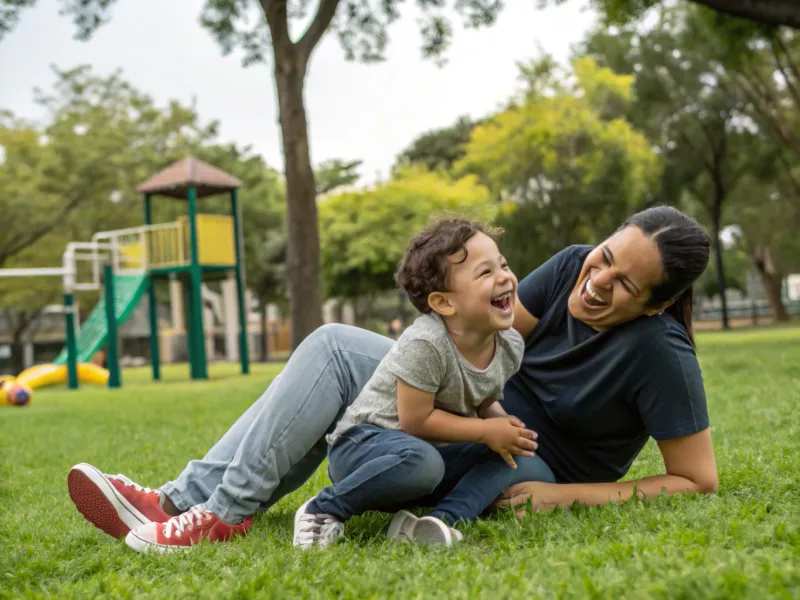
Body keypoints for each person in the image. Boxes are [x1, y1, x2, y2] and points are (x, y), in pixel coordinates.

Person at [67, 205, 718, 552]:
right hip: (473, 416)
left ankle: (211, 512)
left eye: (625, 282)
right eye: (606, 257)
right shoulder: (572, 265)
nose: (597, 280)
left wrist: (565, 498)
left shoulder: (660, 352)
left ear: (656, 303)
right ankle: (183, 502)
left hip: (527, 466)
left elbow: (695, 480)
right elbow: (484, 334)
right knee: (333, 350)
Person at [292, 219, 537, 550]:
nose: (504, 277)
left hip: (427, 459)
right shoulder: (426, 342)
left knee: (525, 460)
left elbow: (481, 398)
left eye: (503, 265)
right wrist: (485, 432)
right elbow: (415, 421)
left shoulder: (509, 344)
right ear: (444, 303)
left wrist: (500, 425)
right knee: (423, 462)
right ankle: (324, 509)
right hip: (364, 448)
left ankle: (438, 522)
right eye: (485, 273)